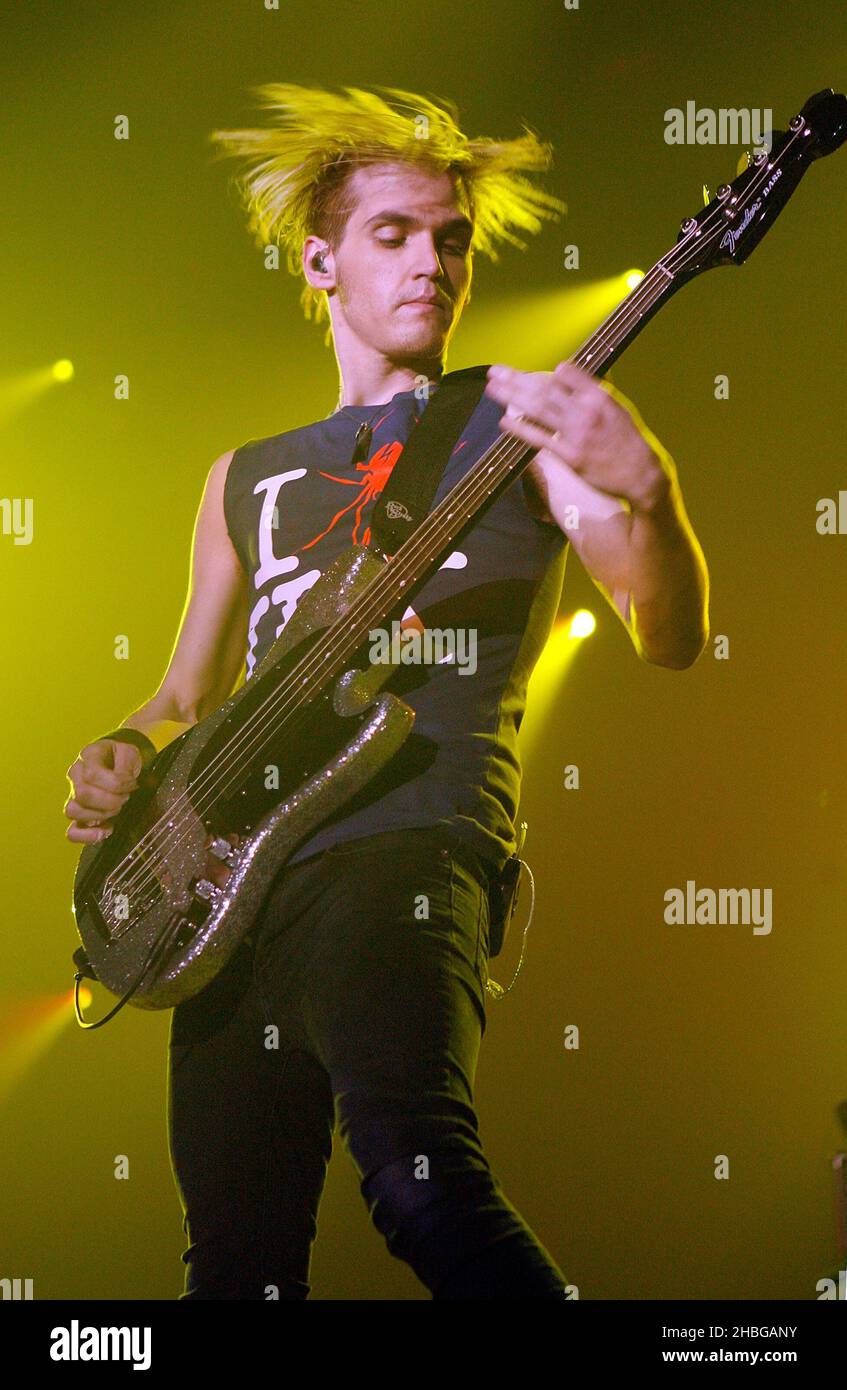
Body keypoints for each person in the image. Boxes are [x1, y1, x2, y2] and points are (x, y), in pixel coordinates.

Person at [63, 85, 709, 1299]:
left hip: (406, 851)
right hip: (226, 903)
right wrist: (120, 748)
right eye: (395, 234)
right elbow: (180, 693)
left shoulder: (518, 421)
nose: (433, 264)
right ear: (321, 260)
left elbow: (665, 633)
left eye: (451, 238)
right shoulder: (241, 477)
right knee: (234, 1267)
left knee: (421, 1185)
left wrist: (650, 495)